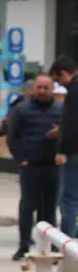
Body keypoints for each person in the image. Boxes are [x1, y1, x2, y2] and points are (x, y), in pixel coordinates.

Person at [7, 73, 64, 260]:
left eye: (46, 88)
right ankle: (23, 246)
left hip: (52, 167)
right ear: (34, 88)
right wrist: (20, 158)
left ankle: (49, 248)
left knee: (49, 209)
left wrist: (60, 135)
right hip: (30, 166)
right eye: (39, 87)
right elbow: (12, 136)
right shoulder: (21, 109)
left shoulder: (60, 110)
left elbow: (69, 136)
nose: (42, 91)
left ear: (52, 89)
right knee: (27, 207)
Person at [50, 56, 78, 236]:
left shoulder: (74, 91)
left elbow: (71, 124)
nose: (58, 85)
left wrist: (62, 150)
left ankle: (68, 240)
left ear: (63, 73)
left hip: (74, 153)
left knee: (69, 199)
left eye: (57, 80)